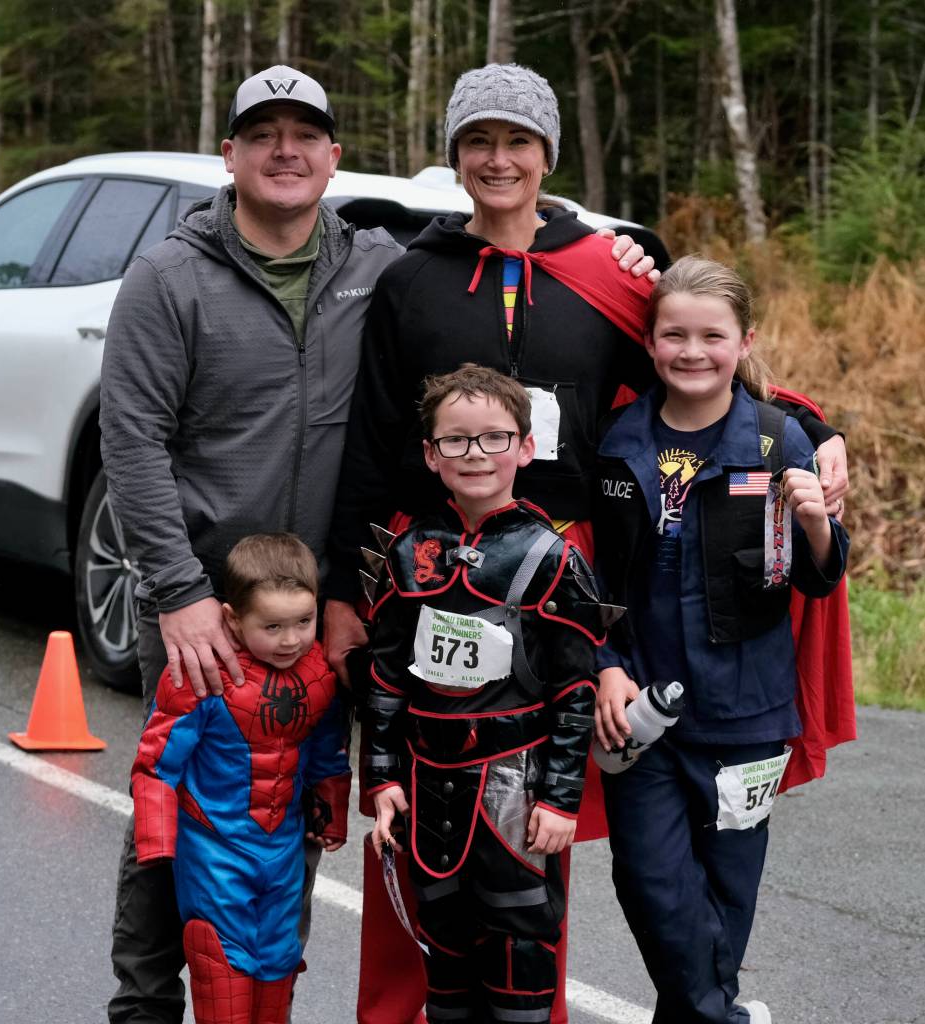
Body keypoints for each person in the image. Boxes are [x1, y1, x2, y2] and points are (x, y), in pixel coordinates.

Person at [321, 62, 848, 1024]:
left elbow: (703, 373)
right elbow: (370, 443)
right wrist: (341, 594)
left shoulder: (610, 268)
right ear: (452, 157)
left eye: (517, 142)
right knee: (425, 799)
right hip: (439, 579)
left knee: (534, 811)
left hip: (567, 582)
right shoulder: (410, 282)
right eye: (476, 142)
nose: (497, 159)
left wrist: (820, 428)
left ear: (547, 154)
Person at [99, 65, 403, 1024]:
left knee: (286, 820)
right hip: (206, 607)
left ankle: (260, 1003)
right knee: (178, 819)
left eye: (303, 133)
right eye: (262, 133)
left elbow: (497, 272)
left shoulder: (375, 269)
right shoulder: (169, 278)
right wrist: (180, 593)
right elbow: (131, 439)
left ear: (332, 156)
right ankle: (145, 1007)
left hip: (315, 615)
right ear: (227, 156)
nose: (285, 149)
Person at [592, 256, 850, 1024]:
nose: (692, 351)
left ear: (744, 342)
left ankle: (711, 1012)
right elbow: (593, 582)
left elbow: (816, 582)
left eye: (712, 335)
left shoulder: (778, 444)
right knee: (650, 884)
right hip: (639, 717)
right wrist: (605, 667)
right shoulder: (612, 445)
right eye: (674, 334)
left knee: (726, 902)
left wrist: (813, 522)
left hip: (746, 718)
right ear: (648, 341)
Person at [365, 364, 602, 1024]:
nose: (475, 455)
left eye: (493, 438)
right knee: (444, 957)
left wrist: (559, 798)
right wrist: (382, 778)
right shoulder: (409, 552)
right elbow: (385, 678)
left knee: (520, 953)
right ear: (430, 454)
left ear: (525, 448)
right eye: (456, 440)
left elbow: (575, 690)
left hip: (514, 791)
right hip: (428, 785)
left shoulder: (549, 557)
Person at [131, 533, 350, 1024]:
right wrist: (157, 843)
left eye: (303, 622)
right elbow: (156, 764)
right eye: (272, 625)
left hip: (282, 850)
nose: (290, 639)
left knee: (277, 966)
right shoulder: (201, 674)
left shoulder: (317, 675)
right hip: (215, 851)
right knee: (221, 972)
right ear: (232, 618)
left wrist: (331, 808)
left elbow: (324, 748)